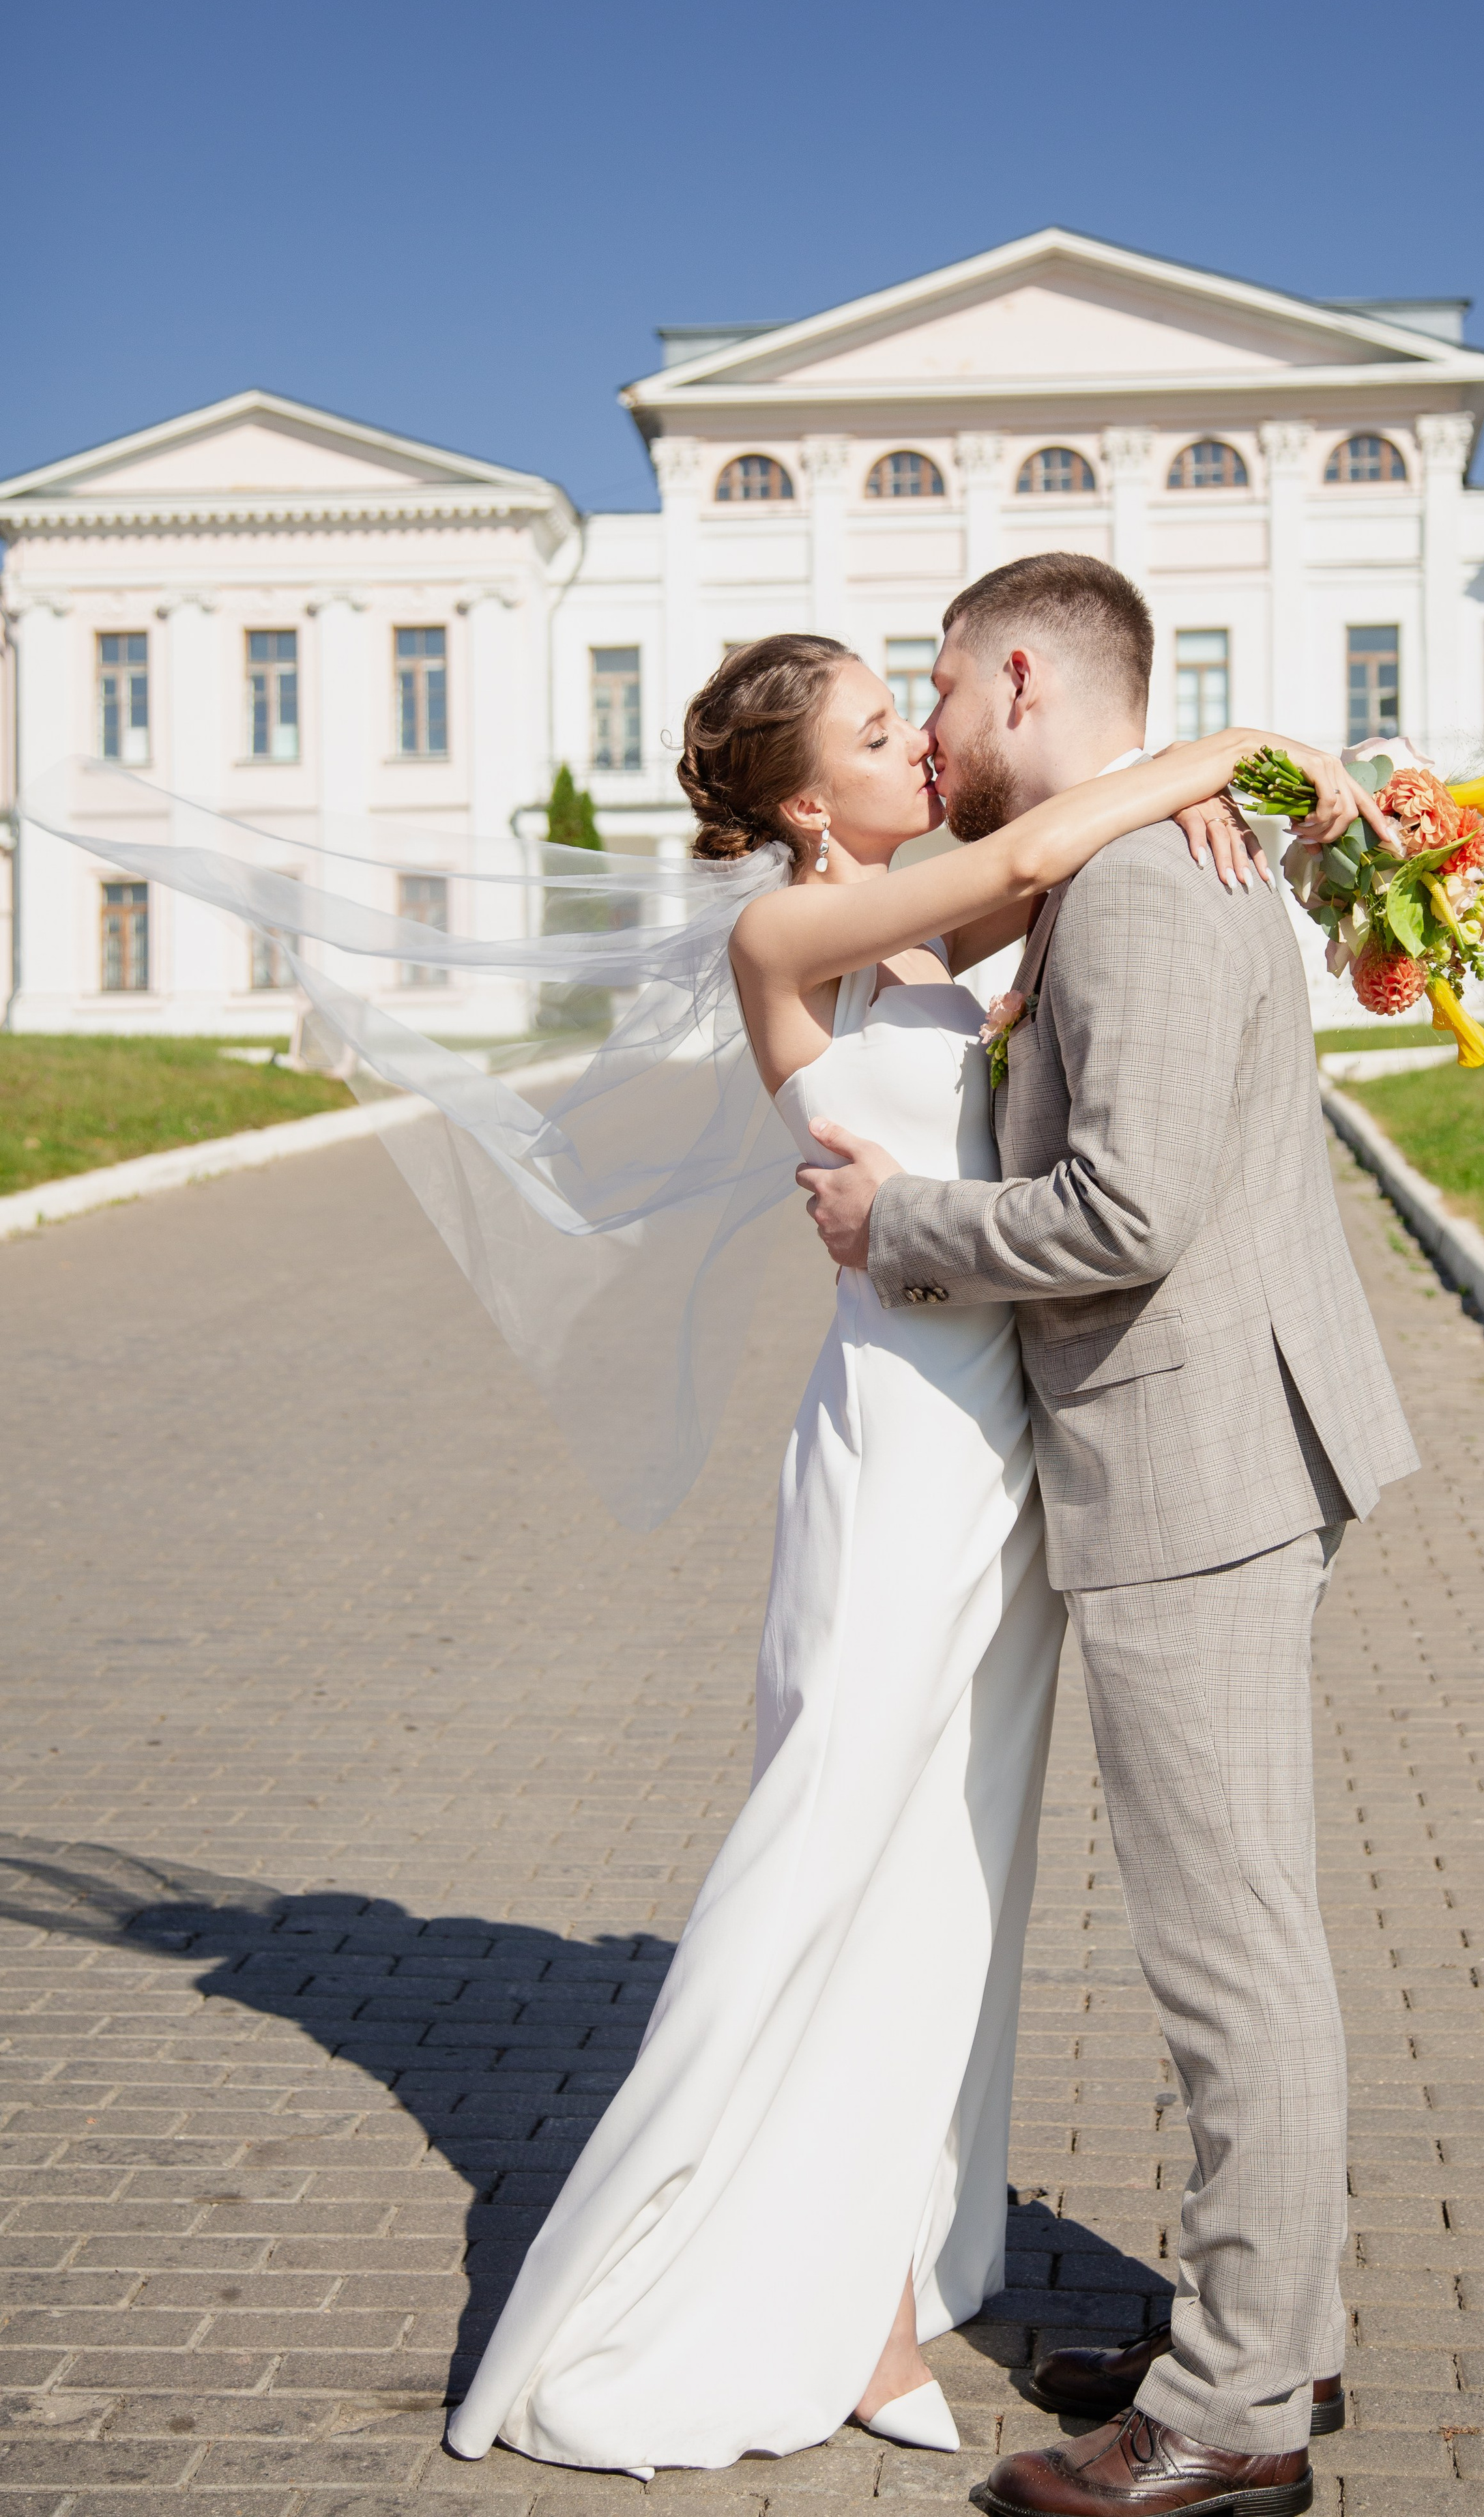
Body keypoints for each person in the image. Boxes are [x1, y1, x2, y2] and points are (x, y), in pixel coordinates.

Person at [443, 622, 1375, 2479]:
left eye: (922, 707)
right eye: (885, 729)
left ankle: (889, 2278)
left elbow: (1083, 921)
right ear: (806, 799)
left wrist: (1217, 829)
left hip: (1018, 1472)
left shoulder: (946, 936)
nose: (921, 746)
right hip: (895, 1462)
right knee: (830, 1857)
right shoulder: (789, 936)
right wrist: (1240, 750)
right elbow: (1037, 858)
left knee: (950, 1882)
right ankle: (727, 2273)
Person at [798, 553, 1420, 2517]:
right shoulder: (1157, 852)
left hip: (1196, 1458)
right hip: (1222, 1440)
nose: (936, 733)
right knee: (1250, 1927)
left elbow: (1121, 1214)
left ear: (1018, 674)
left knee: (1230, 1946)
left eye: (940, 694)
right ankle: (1272, 2326)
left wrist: (894, 1226)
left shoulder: (1149, 878)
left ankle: (1233, 2410)